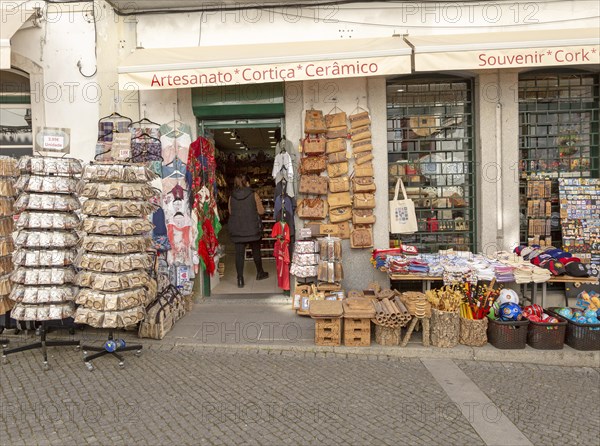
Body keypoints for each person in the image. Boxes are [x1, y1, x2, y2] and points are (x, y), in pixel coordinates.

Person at [228, 174, 269, 288]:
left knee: (239, 255)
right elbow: (261, 211)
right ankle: (260, 273)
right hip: (252, 228)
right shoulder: (253, 194)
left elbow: (231, 212)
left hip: (237, 229)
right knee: (256, 250)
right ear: (247, 182)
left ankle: (240, 279)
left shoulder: (231, 196)